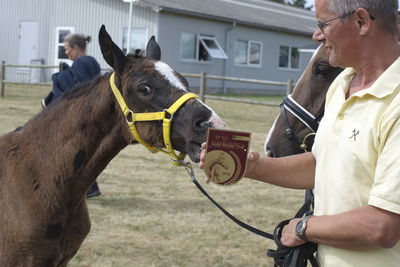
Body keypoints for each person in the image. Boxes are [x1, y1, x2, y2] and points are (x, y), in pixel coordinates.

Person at [199, 0, 400, 266]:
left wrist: (303, 228)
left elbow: (382, 226)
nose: (316, 35)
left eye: (322, 24)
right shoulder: (343, 82)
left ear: (361, 22)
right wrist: (251, 167)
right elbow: (322, 164)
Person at [42, 33, 102, 198]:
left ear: (76, 48)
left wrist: (58, 78)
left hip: (80, 116)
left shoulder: (83, 63)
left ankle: (88, 188)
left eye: (67, 49)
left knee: (73, 151)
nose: (66, 52)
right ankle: (90, 188)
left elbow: (79, 88)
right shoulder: (89, 62)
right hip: (86, 115)